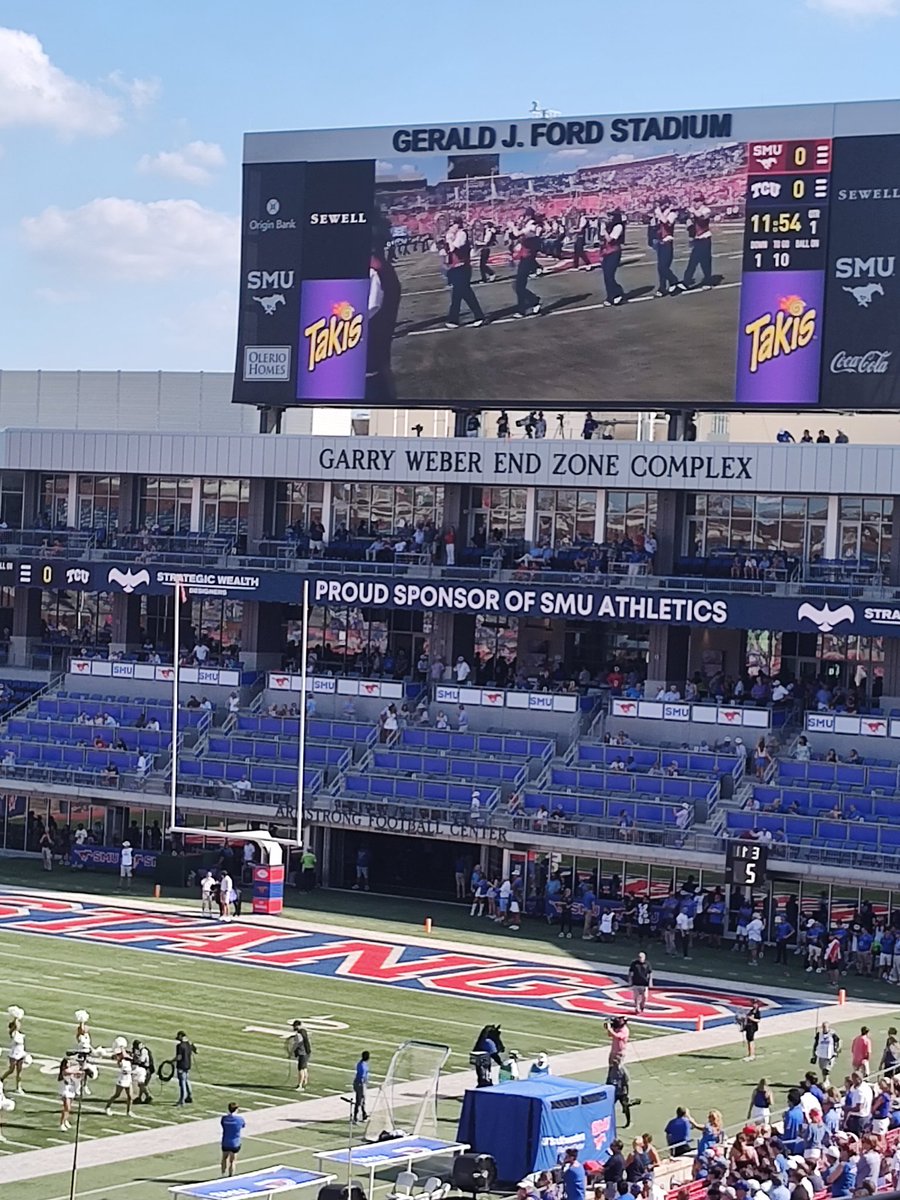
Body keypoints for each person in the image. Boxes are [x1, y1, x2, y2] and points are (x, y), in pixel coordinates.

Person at [104, 1041, 134, 1118]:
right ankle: (107, 1107)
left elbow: (129, 1057)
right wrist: (121, 1051)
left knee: (130, 1096)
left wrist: (123, 1049)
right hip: (122, 1079)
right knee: (117, 1095)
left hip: (128, 1078)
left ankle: (129, 1111)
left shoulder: (128, 1058)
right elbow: (119, 1062)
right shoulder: (121, 1061)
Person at [220, 1101, 245, 1177]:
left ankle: (223, 1174)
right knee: (232, 1160)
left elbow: (222, 1124)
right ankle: (231, 1175)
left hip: (225, 1141)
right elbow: (243, 1126)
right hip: (235, 1142)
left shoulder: (224, 1118)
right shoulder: (240, 1119)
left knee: (224, 1158)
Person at [287, 1021, 312, 1091]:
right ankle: (305, 1082)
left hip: (302, 1053)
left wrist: (291, 1053)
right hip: (307, 1052)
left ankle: (300, 1085)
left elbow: (296, 1044)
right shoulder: (304, 1031)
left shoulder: (299, 1034)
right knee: (304, 1068)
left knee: (301, 1069)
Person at [175, 1030, 196, 1106]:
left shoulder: (180, 1046)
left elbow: (179, 1057)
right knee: (187, 1080)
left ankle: (182, 1099)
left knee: (182, 1083)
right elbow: (196, 1051)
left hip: (181, 1066)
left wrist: (171, 1061)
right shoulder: (189, 1044)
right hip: (188, 1065)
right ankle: (189, 1096)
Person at [352, 1050, 370, 1122]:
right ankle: (356, 1116)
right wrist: (363, 1084)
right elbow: (362, 1076)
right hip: (360, 1084)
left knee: (362, 1100)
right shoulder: (362, 1065)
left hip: (361, 1083)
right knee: (359, 1100)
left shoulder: (363, 1064)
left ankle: (364, 1114)